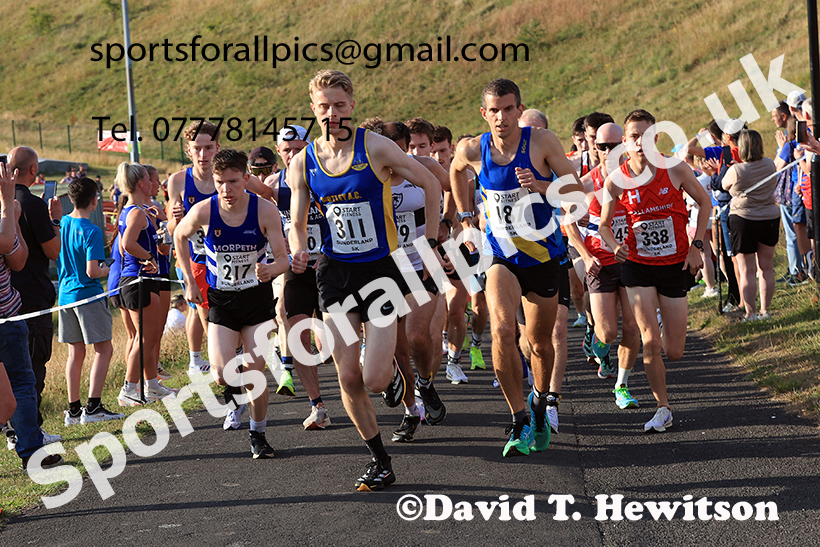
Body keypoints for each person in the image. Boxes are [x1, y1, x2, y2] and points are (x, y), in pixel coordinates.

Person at [289, 69, 443, 490]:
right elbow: (297, 221)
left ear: (351, 106)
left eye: (340, 105)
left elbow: (430, 182)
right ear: (314, 109)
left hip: (381, 270)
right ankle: (380, 460)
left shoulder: (376, 147)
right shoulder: (303, 162)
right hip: (334, 274)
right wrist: (299, 245)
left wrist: (429, 242)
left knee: (374, 379)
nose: (332, 113)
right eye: (324, 107)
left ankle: (391, 373)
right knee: (347, 376)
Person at [451, 78, 585, 456]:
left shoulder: (542, 143)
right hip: (500, 254)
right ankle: (518, 418)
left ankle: (541, 403)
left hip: (543, 255)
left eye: (508, 109)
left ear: (519, 110)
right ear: (484, 113)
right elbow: (457, 170)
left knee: (540, 344)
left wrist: (543, 185)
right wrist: (465, 217)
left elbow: (576, 192)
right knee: (502, 329)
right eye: (493, 110)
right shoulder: (473, 148)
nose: (501, 117)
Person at [599, 109, 711, 432]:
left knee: (673, 350)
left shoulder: (674, 168)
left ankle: (662, 323)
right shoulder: (616, 179)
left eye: (647, 136)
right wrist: (613, 245)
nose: (640, 142)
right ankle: (662, 407)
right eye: (635, 137)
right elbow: (604, 225)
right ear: (625, 141)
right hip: (637, 267)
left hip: (676, 264)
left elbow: (705, 203)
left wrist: (697, 247)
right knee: (650, 342)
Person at [175, 148, 289, 458]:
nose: (227, 189)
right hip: (222, 301)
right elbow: (180, 235)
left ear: (246, 179)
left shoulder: (265, 211)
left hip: (256, 300)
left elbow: (283, 258)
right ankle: (236, 395)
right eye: (220, 182)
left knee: (255, 371)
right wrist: (188, 280)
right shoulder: (204, 210)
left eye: (234, 182)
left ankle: (258, 432)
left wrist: (272, 269)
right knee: (222, 374)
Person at [566, 123, 641, 410]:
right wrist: (585, 256)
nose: (608, 151)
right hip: (600, 264)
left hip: (632, 262)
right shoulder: (585, 184)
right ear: (593, 147)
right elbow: (568, 224)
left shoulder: (637, 178)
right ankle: (596, 339)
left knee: (632, 327)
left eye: (614, 146)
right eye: (602, 146)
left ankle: (622, 386)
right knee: (608, 332)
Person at [268, 125, 333, 430]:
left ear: (309, 146)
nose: (293, 155)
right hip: (298, 268)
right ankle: (317, 405)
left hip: (333, 266)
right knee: (296, 331)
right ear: (279, 152)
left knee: (337, 338)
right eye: (287, 150)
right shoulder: (272, 185)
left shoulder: (327, 174)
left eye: (299, 148)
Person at [0, 159, 61, 469]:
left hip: (11, 313)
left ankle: (29, 448)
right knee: (22, 384)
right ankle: (28, 448)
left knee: (17, 388)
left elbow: (17, 258)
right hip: (12, 314)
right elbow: (17, 254)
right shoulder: (7, 213)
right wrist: (10, 209)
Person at [57, 177, 125, 425]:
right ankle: (93, 406)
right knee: (104, 349)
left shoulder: (64, 222)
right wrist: (108, 268)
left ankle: (73, 410)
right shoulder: (91, 230)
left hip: (65, 295)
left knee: (75, 353)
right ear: (95, 201)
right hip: (87, 295)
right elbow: (92, 271)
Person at [115, 162, 175, 406]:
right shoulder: (137, 212)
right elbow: (127, 244)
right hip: (138, 280)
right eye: (150, 180)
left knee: (148, 337)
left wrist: (161, 228)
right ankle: (129, 388)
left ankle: (150, 386)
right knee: (145, 338)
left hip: (139, 279)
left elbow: (123, 245)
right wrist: (147, 258)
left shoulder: (139, 211)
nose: (154, 184)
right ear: (140, 183)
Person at [721, 130, 779, 321]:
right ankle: (766, 310)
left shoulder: (736, 170)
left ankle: (750, 312)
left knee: (747, 270)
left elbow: (723, 185)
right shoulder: (769, 164)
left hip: (744, 219)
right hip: (769, 216)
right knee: (766, 267)